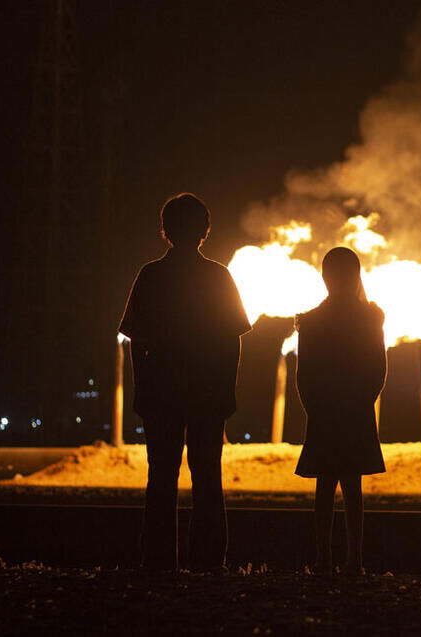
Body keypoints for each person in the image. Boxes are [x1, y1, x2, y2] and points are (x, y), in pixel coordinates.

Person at [119, 193, 251, 572]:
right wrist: (228, 389)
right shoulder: (218, 276)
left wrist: (142, 390)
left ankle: (159, 561)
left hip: (161, 392)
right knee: (208, 475)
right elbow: (233, 341)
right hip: (208, 391)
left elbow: (136, 342)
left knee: (161, 477)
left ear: (166, 230)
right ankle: (209, 562)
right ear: (204, 231)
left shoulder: (151, 275)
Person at [294, 247, 386, 576]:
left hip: (325, 411)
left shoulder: (312, 321)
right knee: (352, 487)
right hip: (355, 410)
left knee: (324, 485)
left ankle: (322, 558)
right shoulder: (371, 317)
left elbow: (303, 376)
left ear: (325, 278)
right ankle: (354, 559)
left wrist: (317, 410)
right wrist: (361, 403)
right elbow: (378, 369)